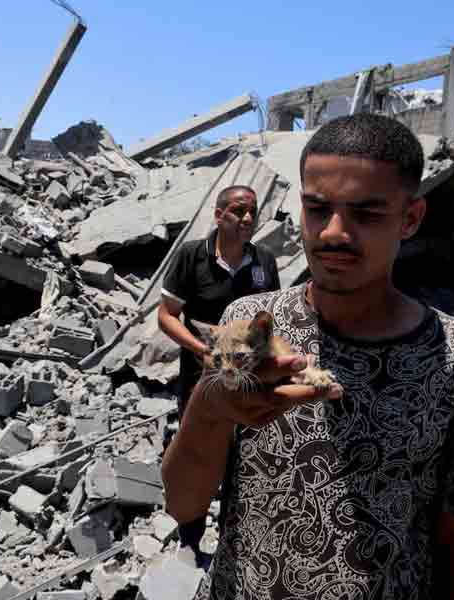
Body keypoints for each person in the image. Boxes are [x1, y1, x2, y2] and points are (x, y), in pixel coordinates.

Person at [162, 113, 454, 600]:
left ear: (411, 218)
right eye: (318, 209)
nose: (334, 232)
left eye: (366, 213)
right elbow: (182, 504)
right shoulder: (251, 325)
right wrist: (209, 409)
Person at [157, 184, 280, 558]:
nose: (247, 219)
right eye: (238, 211)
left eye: (252, 212)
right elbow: (166, 316)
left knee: (244, 457)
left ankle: (234, 541)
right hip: (202, 380)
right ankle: (189, 538)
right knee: (197, 455)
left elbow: (267, 321)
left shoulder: (264, 262)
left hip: (248, 379)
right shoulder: (192, 257)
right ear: (218, 214)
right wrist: (202, 349)